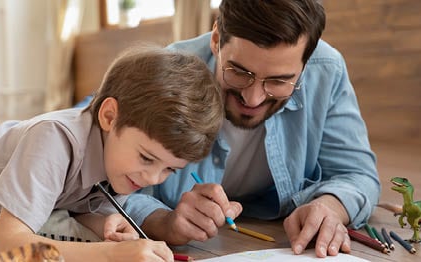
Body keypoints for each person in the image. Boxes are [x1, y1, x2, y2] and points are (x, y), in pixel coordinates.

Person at [123, 0, 380, 258]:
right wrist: (162, 221)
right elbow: (96, 186)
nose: (253, 99)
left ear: (305, 63)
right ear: (216, 40)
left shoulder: (326, 70)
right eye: (239, 72)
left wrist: (331, 206)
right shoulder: (163, 74)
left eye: (279, 80)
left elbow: (357, 174)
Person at [0, 45, 224, 262]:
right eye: (147, 158)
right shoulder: (53, 141)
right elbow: (9, 242)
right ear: (109, 116)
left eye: (169, 170)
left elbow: (79, 204)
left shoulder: (119, 156)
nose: (151, 178)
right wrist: (111, 254)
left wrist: (103, 225)